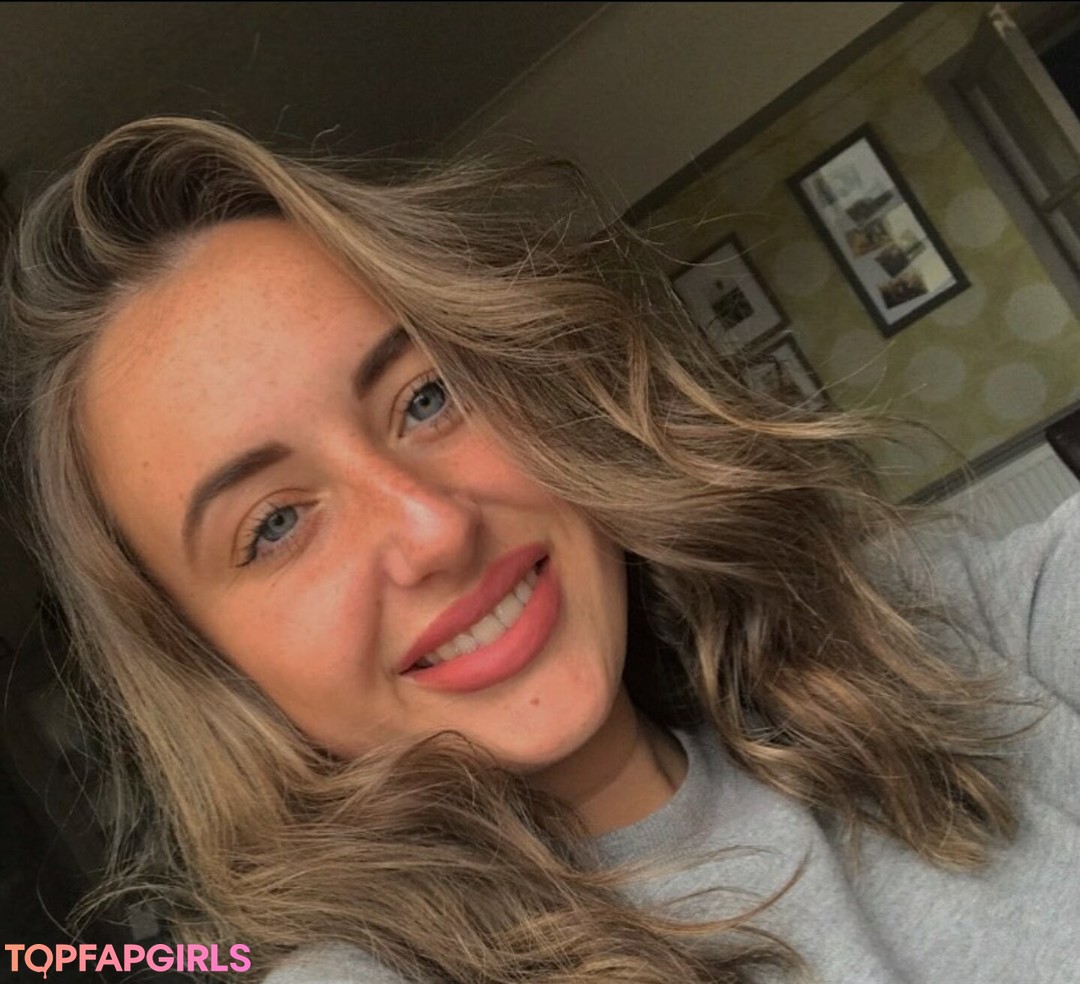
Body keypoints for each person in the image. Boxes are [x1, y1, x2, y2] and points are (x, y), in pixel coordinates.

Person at [2, 116, 1077, 984]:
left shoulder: (930, 637)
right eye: (276, 523)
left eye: (427, 397)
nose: (434, 527)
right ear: (212, 664)